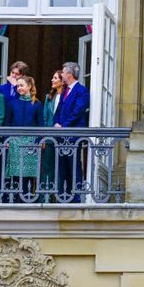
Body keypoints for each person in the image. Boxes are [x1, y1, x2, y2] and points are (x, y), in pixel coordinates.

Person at [54, 62, 90, 201]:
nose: (61, 75)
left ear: (69, 74)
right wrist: (56, 123)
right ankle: (64, 197)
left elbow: (77, 112)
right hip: (61, 136)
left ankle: (75, 198)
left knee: (74, 166)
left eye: (63, 72)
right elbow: (58, 110)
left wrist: (63, 125)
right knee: (62, 168)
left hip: (73, 135)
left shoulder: (82, 90)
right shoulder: (65, 90)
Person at [5, 76, 42, 197]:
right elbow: (7, 123)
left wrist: (39, 141)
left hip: (31, 143)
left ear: (29, 87)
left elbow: (41, 124)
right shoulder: (12, 103)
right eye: (18, 86)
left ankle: (28, 197)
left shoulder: (37, 104)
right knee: (16, 173)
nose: (19, 88)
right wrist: (7, 140)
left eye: (21, 85)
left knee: (29, 173)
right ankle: (15, 198)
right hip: (15, 142)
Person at [40, 70, 64, 197]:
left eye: (55, 78)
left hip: (62, 138)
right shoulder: (49, 98)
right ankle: (44, 197)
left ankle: (60, 197)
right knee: (46, 168)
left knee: (60, 169)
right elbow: (45, 118)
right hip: (49, 137)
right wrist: (43, 137)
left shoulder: (66, 96)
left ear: (62, 81)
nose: (52, 80)